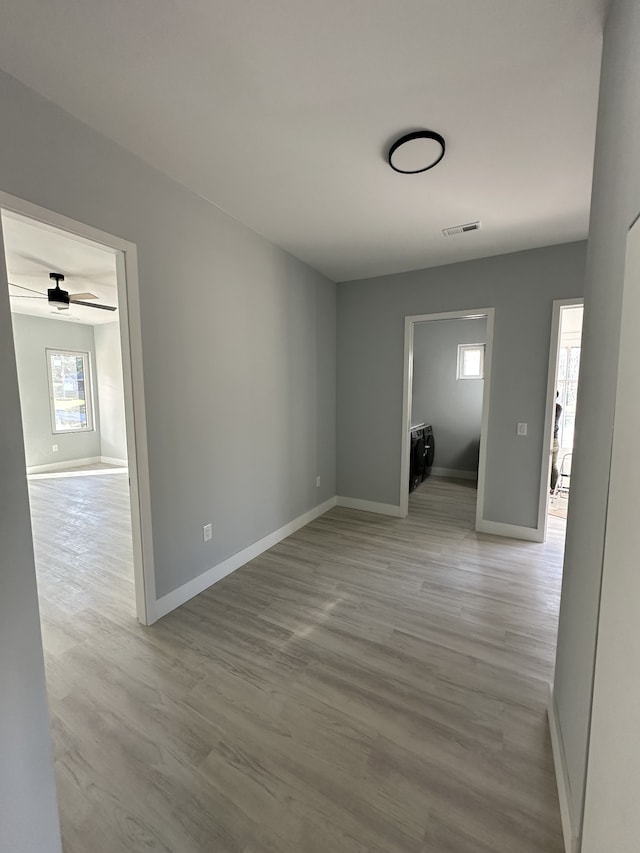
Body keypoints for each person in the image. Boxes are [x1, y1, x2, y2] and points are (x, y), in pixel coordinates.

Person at [551, 391, 562, 492]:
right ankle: (553, 488)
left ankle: (554, 488)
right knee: (552, 464)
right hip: (554, 439)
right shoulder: (557, 408)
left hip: (553, 439)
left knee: (552, 464)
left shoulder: (557, 408)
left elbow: (553, 424)